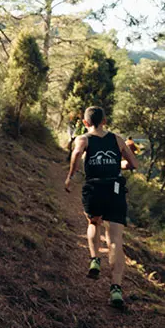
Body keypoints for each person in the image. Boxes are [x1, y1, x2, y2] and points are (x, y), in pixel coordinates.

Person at [64, 106, 139, 308]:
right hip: (114, 187)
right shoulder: (117, 139)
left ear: (86, 123)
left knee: (94, 222)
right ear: (104, 120)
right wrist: (117, 165)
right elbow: (133, 164)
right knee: (115, 239)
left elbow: (77, 154)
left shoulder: (83, 138)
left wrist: (71, 176)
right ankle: (116, 289)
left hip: (94, 186)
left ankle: (95, 259)